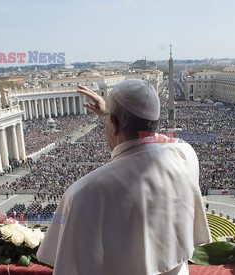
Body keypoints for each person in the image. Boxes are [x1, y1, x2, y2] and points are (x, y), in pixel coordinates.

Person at [37, 80, 211, 275]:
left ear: (113, 124)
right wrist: (110, 116)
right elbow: (168, 140)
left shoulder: (83, 193)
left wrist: (108, 116)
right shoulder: (185, 156)